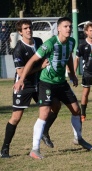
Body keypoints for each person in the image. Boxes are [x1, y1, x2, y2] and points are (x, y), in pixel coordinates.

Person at [13, 17, 92, 160]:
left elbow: (69, 57)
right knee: (44, 113)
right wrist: (21, 80)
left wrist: (72, 74)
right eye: (65, 26)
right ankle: (35, 149)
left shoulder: (71, 42)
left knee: (76, 110)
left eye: (70, 26)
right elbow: (32, 61)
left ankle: (78, 139)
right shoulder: (50, 44)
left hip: (61, 82)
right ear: (58, 29)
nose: (69, 29)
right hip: (46, 82)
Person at [0, 20, 60, 158]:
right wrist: (40, 67)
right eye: (25, 28)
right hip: (24, 85)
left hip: (40, 83)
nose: (29, 30)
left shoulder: (38, 41)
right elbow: (21, 73)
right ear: (20, 32)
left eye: (30, 27)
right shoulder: (19, 49)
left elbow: (47, 56)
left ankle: (44, 131)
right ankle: (5, 149)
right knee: (16, 117)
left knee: (56, 105)